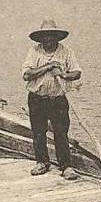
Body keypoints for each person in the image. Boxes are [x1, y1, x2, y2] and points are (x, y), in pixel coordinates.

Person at [21, 18, 82, 180]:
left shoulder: (66, 51)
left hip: (58, 99)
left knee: (61, 133)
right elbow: (27, 75)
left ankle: (66, 166)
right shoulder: (34, 51)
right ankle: (42, 162)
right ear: (41, 38)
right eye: (45, 37)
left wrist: (63, 74)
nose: (47, 40)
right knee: (38, 132)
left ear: (56, 37)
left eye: (51, 36)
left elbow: (77, 72)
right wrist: (49, 66)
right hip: (37, 98)